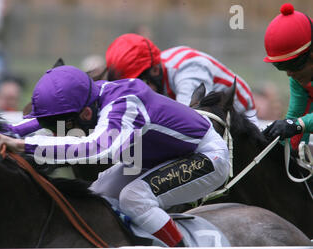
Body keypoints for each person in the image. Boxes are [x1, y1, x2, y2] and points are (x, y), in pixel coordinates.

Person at [0, 65, 230, 247]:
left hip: (206, 157)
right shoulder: (90, 98)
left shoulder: (124, 105)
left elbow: (95, 148)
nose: (55, 132)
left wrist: (23, 145)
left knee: (134, 198)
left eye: (60, 127)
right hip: (156, 159)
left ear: (84, 113)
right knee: (97, 196)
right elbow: (28, 124)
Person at [105, 33, 259, 126]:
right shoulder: (157, 69)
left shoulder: (189, 69)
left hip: (243, 121)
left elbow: (191, 123)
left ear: (155, 70)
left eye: (138, 85)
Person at [262, 3, 312, 150]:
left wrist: (297, 125)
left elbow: (298, 124)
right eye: (281, 67)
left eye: (292, 66)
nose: (289, 74)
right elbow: (296, 117)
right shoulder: (299, 79)